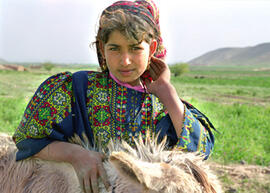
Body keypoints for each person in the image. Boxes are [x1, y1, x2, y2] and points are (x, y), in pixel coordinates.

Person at [13, 0, 216, 193]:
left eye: (135, 48)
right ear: (102, 48)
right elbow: (27, 139)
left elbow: (198, 153)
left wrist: (166, 91)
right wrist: (78, 155)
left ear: (152, 48)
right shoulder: (74, 89)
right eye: (114, 48)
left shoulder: (162, 106)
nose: (125, 61)